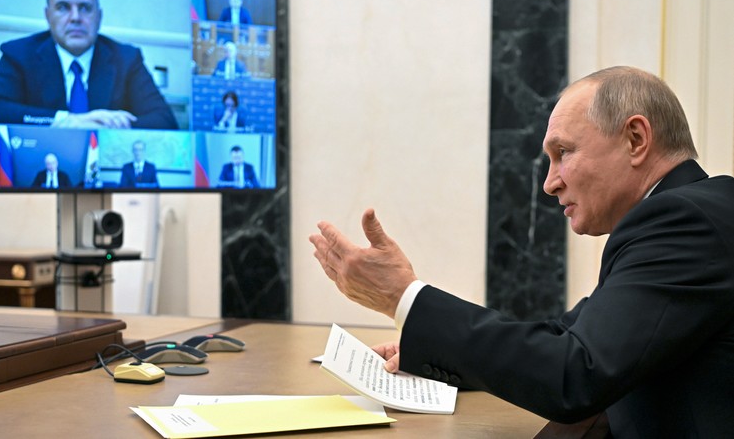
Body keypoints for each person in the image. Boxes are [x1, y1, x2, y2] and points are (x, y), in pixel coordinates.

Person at [309, 66, 734, 437]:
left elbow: (574, 374)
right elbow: (566, 336)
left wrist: (403, 297)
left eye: (563, 153)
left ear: (636, 139)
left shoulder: (683, 221)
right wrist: (430, 348)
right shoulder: (684, 213)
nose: (550, 183)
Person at [0, 0, 178, 130]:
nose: (75, 17)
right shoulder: (20, 55)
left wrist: (106, 125)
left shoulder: (126, 59)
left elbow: (164, 121)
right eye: (63, 7)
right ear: (48, 16)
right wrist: (65, 121)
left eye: (85, 8)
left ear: (99, 17)